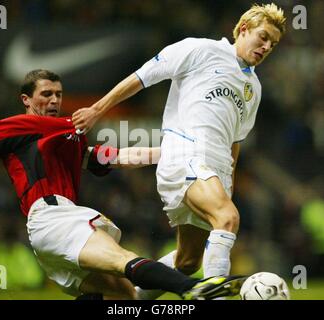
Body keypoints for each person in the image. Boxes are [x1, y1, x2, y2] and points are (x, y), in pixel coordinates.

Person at [72, 3, 286, 299]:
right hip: (186, 156)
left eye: (272, 44)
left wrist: (229, 185)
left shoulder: (254, 87)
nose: (266, 46)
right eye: (263, 37)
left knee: (187, 262)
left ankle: (126, 298)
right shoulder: (199, 49)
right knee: (228, 218)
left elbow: (236, 141)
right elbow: (143, 76)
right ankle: (217, 297)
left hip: (216, 170)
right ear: (243, 29)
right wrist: (97, 109)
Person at [0, 69, 245, 300]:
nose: (54, 99)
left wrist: (176, 150)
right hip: (51, 218)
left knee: (126, 295)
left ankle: (188, 283)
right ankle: (192, 289)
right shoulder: (24, 125)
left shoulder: (68, 138)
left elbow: (120, 157)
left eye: (58, 94)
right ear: (26, 99)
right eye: (46, 94)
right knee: (121, 260)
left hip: (53, 227)